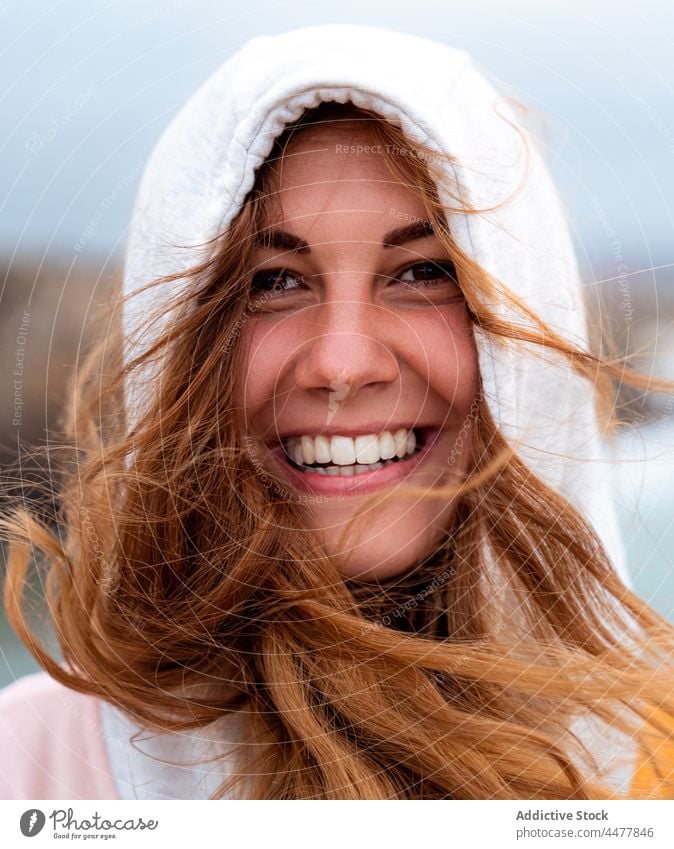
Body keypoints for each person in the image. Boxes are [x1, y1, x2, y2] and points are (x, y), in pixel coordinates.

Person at [2, 23, 674, 801]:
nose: (341, 364)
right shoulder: (31, 773)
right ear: (186, 336)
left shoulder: (649, 766)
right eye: (274, 281)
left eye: (423, 271)